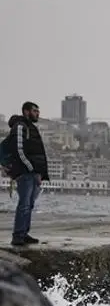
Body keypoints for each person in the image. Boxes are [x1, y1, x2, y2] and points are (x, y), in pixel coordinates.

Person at [6, 102, 49, 246]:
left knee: (29, 204)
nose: (38, 113)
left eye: (38, 111)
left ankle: (24, 233)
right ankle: (18, 235)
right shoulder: (20, 126)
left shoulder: (31, 127)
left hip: (33, 173)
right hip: (25, 174)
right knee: (24, 204)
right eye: (35, 111)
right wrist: (31, 169)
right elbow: (19, 150)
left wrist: (39, 173)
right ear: (26, 111)